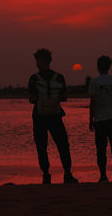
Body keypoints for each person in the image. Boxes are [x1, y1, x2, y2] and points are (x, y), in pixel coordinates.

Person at [28, 48, 78, 184]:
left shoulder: (34, 78)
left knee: (41, 146)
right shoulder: (59, 77)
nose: (36, 63)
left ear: (41, 60)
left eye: (37, 60)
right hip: (56, 115)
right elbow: (64, 98)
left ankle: (46, 175)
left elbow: (32, 99)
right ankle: (67, 174)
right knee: (62, 144)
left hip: (39, 116)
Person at [89, 55, 112, 182]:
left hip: (101, 120)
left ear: (98, 67)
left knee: (101, 149)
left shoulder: (94, 82)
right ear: (109, 66)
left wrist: (90, 119)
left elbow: (93, 102)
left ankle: (103, 176)